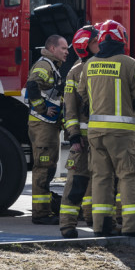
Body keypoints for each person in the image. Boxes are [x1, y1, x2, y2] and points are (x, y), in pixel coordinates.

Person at [76, 19, 135, 238]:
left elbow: (82, 96)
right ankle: (132, 227)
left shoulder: (89, 64)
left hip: (95, 132)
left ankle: (101, 227)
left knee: (101, 177)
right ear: (121, 39)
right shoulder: (129, 63)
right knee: (129, 176)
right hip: (122, 133)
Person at [59, 25, 99, 238]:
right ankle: (67, 226)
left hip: (101, 137)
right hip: (82, 138)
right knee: (76, 182)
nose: (100, 44)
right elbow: (70, 108)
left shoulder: (104, 66)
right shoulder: (75, 72)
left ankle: (94, 219)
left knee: (101, 181)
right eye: (96, 42)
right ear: (85, 46)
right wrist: (74, 135)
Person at [25, 34, 68, 224]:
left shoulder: (52, 66)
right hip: (42, 124)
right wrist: (42, 108)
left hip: (48, 126)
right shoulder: (44, 65)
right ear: (52, 49)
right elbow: (32, 85)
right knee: (43, 169)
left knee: (48, 168)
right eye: (63, 48)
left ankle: (45, 210)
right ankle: (41, 214)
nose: (67, 52)